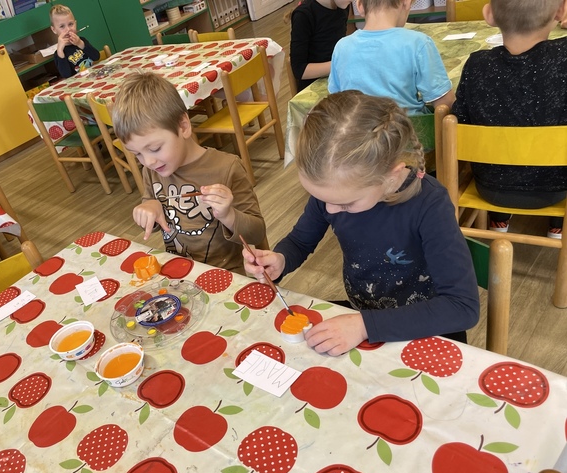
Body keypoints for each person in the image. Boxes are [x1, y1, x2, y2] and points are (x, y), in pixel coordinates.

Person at [243, 91, 479, 355]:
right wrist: (281, 260)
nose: (330, 210)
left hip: (428, 329)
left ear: (390, 177)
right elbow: (299, 241)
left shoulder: (429, 205)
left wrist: (364, 326)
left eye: (346, 204)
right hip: (364, 318)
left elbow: (462, 307)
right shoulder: (335, 193)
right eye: (321, 198)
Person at [112, 71, 266, 275]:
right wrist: (148, 208)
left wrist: (228, 215)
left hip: (224, 274)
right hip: (179, 272)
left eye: (155, 148)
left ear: (183, 127)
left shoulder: (227, 167)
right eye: (137, 154)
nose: (148, 161)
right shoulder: (152, 170)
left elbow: (257, 233)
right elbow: (152, 213)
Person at [453, 0, 567, 239]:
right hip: (557, 190)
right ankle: (557, 226)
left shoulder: (476, 65)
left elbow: (460, 119)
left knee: (500, 129)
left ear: (489, 14)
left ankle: (499, 219)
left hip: (490, 189)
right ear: (560, 11)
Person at [328, 0, 454, 115]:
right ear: (406, 2)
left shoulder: (341, 47)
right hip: (409, 130)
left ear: (359, 6)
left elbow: (336, 100)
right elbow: (445, 103)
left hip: (357, 131)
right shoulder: (419, 43)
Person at [287, 0, 351, 92]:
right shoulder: (303, 15)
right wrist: (338, 64)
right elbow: (299, 70)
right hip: (313, 89)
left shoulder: (343, 7)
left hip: (337, 79)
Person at [50, 5, 100, 78]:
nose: (68, 29)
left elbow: (96, 57)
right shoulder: (59, 53)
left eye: (70, 24)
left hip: (93, 76)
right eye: (62, 26)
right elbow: (66, 75)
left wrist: (80, 43)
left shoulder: (82, 41)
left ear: (75, 23)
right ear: (54, 30)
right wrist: (60, 51)